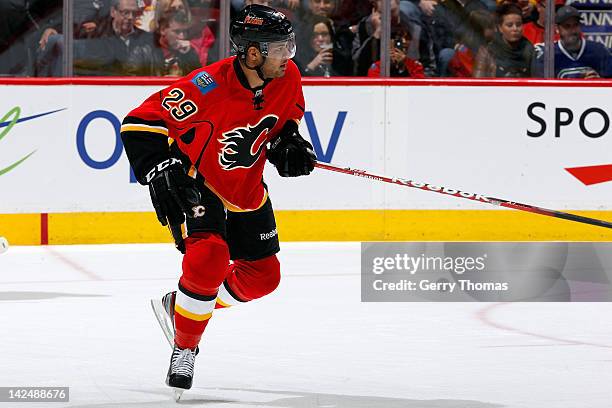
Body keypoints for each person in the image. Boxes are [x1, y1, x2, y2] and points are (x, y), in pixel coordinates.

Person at [120, 4, 316, 398]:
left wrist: (288, 140)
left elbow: (289, 113)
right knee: (207, 260)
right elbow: (139, 122)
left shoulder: (287, 75)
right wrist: (160, 168)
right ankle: (186, 346)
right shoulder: (207, 86)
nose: (289, 56)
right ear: (253, 53)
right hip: (201, 184)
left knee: (264, 277)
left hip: (246, 189)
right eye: (280, 48)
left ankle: (184, 305)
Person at [533, 6, 612, 78]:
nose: (573, 30)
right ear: (557, 28)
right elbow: (541, 88)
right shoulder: (547, 54)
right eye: (567, 26)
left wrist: (598, 82)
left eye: (576, 25)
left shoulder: (598, 51)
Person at [127, 11, 201, 76]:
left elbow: (199, 83)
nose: (182, 36)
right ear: (162, 30)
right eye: (177, 32)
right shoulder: (142, 52)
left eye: (185, 31)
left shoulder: (188, 52)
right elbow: (131, 84)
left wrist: (189, 55)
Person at [473, 3, 534, 77]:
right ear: (500, 28)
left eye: (518, 25)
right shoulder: (487, 52)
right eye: (509, 25)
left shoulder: (530, 50)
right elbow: (478, 83)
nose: (515, 29)